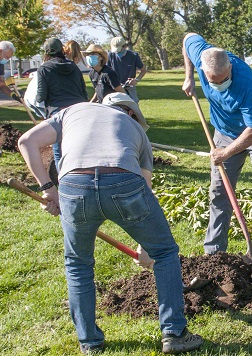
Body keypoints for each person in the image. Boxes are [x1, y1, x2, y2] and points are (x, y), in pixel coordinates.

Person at [16, 93, 204, 354]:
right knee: (166, 252)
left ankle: (89, 342)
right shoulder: (138, 131)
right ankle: (174, 333)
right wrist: (147, 247)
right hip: (123, 181)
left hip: (74, 184)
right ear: (131, 114)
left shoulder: (73, 111)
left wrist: (48, 189)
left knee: (78, 263)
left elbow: (26, 141)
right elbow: (145, 192)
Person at [182, 32, 252, 270]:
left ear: (231, 67)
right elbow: (188, 37)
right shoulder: (202, 55)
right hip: (224, 132)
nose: (220, 85)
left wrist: (226, 153)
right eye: (214, 81)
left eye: (224, 79)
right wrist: (189, 77)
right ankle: (213, 253)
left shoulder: (245, 83)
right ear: (204, 69)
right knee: (219, 192)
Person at [35, 37, 89, 169]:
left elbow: (41, 96)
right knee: (79, 149)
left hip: (58, 113)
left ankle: (63, 183)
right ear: (62, 50)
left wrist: (34, 98)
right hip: (79, 111)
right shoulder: (74, 67)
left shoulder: (44, 69)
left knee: (59, 150)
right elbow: (84, 92)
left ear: (46, 53)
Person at [107, 36, 146, 103]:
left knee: (133, 106)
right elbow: (107, 71)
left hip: (129, 87)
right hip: (115, 86)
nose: (117, 51)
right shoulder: (110, 55)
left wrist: (136, 80)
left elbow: (143, 70)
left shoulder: (133, 55)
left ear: (124, 46)